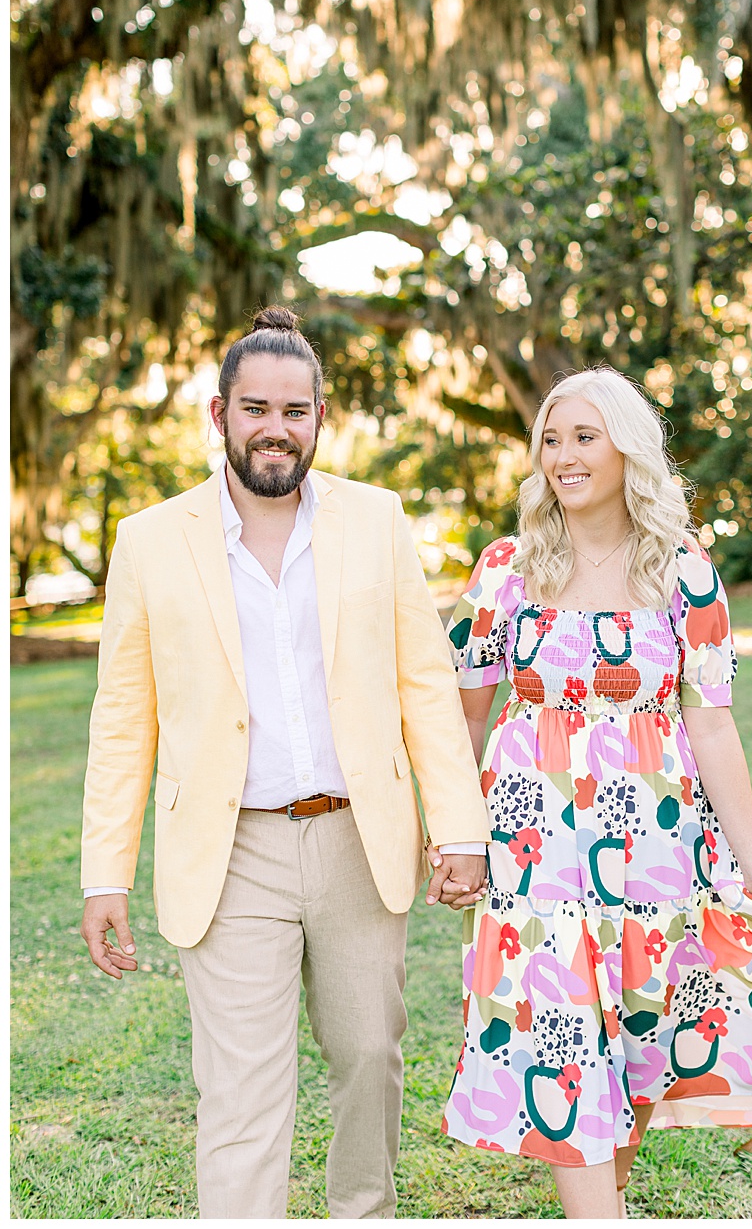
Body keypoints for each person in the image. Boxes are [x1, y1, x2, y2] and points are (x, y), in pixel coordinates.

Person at [79, 307, 494, 1218]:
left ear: (318, 418)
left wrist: (461, 826)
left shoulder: (377, 519)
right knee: (240, 1093)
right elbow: (123, 718)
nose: (276, 427)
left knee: (370, 1061)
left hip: (358, 837)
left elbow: (426, 683)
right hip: (228, 855)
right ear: (218, 414)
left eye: (295, 411)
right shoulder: (151, 540)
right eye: (256, 407)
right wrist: (102, 875)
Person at [440, 366, 752, 1218]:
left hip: (659, 851)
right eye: (551, 440)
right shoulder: (505, 570)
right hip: (536, 852)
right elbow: (460, 711)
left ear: (628, 449)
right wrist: (452, 832)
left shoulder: (684, 573)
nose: (563, 457)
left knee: (635, 1043)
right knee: (558, 1037)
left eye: (583, 437)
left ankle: (611, 1193)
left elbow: (713, 726)